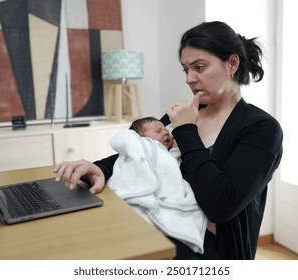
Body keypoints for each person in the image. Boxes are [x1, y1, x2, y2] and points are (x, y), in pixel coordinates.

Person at [54, 21, 283, 260]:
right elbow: (144, 153)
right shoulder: (183, 113)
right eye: (186, 69)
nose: (189, 79)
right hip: (158, 222)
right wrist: (98, 168)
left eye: (199, 67)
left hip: (208, 248)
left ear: (232, 64)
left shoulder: (262, 129)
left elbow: (220, 205)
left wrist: (186, 130)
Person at [106, 116, 207, 253]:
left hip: (168, 199)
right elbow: (126, 143)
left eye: (166, 130)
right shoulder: (142, 147)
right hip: (142, 192)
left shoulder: (172, 152)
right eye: (158, 131)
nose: (165, 132)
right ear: (139, 138)